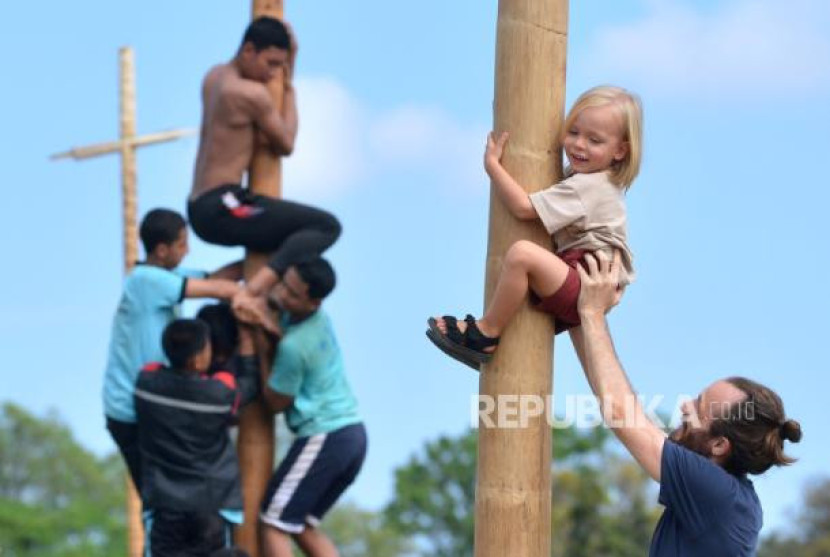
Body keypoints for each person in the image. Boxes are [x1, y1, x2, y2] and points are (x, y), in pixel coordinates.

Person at [575, 251, 803, 556]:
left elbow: (620, 413)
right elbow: (612, 395)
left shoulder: (716, 493)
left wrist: (591, 314)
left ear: (720, 445)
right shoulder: (730, 499)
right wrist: (580, 314)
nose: (685, 406)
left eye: (699, 408)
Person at [426, 85, 642, 370]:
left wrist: (493, 166)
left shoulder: (590, 186)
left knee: (522, 254)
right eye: (574, 132)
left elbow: (524, 208)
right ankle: (496, 327)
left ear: (620, 151)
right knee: (527, 261)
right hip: (583, 277)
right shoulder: (588, 181)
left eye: (595, 140)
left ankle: (485, 332)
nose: (579, 145)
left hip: (585, 282)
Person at [187, 16, 341, 331]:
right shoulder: (248, 94)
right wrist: (290, 88)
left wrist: (288, 61)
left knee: (284, 238)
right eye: (270, 64)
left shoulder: (214, 77)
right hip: (221, 204)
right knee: (325, 226)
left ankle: (235, 283)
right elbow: (285, 142)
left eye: (279, 66)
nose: (273, 73)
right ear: (248, 50)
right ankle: (253, 292)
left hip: (201, 202)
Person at [102, 208, 242, 492]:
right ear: (163, 250)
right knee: (159, 496)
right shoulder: (146, 281)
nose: (188, 250)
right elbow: (221, 290)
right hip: (131, 409)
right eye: (182, 244)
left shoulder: (165, 276)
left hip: (150, 401)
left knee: (171, 494)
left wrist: (255, 261)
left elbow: (216, 278)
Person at [256, 258, 367, 557]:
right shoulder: (318, 319)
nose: (281, 294)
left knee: (273, 521)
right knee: (300, 523)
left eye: (291, 294)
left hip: (326, 435)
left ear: (314, 301)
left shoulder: (294, 347)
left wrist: (260, 348)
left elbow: (275, 401)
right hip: (352, 435)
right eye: (283, 284)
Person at [134, 318, 259, 557]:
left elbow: (154, 368)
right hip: (210, 504)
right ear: (197, 358)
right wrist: (246, 338)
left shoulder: (146, 385)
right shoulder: (219, 394)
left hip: (165, 503)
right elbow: (250, 385)